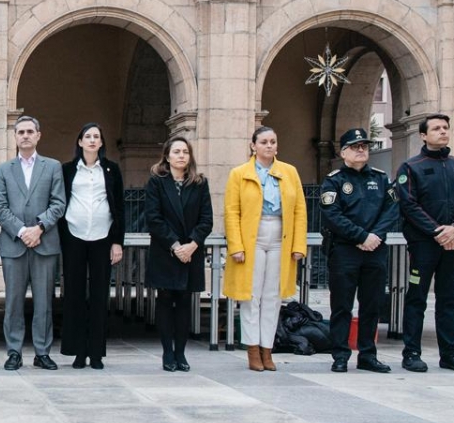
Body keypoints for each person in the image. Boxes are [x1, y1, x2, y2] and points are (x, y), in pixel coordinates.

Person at [396, 114, 454, 373]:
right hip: (423, 244)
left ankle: (450, 354)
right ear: (423, 135)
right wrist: (437, 232)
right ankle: (411, 353)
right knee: (417, 298)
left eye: (445, 128)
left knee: (448, 299)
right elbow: (409, 204)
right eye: (436, 128)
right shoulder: (411, 167)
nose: (443, 131)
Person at [223, 126, 307, 372]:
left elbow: (300, 210)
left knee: (273, 296)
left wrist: (298, 245)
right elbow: (231, 212)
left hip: (281, 234)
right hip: (253, 236)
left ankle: (267, 349)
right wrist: (236, 245)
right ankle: (252, 349)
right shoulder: (239, 173)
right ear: (253, 146)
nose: (269, 146)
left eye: (273, 141)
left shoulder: (289, 172)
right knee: (251, 295)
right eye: (263, 142)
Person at [319, 128, 399, 374]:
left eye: (364, 145)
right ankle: (340, 355)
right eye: (355, 146)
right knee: (342, 306)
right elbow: (332, 216)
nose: (361, 149)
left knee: (372, 305)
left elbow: (392, 210)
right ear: (343, 152)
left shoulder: (381, 178)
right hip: (345, 251)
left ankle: (368, 355)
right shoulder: (334, 181)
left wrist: (375, 236)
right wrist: (361, 236)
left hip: (375, 250)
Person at [0, 116, 66, 371]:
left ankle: (42, 352)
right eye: (21, 132)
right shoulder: (4, 169)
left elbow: (58, 203)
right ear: (15, 136)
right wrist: (23, 231)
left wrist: (39, 228)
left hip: (44, 243)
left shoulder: (52, 166)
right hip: (14, 244)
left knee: (44, 302)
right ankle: (14, 352)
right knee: (13, 302)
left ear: (38, 135)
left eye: (30, 131)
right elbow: (0, 208)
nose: (25, 135)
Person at [144, 136, 213, 373]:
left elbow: (207, 219)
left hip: (191, 252)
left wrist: (192, 245)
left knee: (184, 302)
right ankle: (167, 352)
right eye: (176, 151)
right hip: (166, 251)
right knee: (165, 301)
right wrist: (175, 246)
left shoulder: (200, 183)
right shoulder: (157, 182)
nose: (181, 155)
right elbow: (153, 218)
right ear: (167, 156)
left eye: (185, 151)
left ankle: (181, 353)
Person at [59, 122, 124, 370]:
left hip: (102, 237)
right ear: (80, 142)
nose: (92, 140)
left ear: (101, 142)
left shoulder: (111, 169)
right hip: (74, 236)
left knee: (99, 295)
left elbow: (119, 206)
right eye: (88, 136)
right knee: (74, 294)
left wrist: (117, 241)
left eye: (97, 136)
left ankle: (96, 353)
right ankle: (78, 351)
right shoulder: (67, 170)